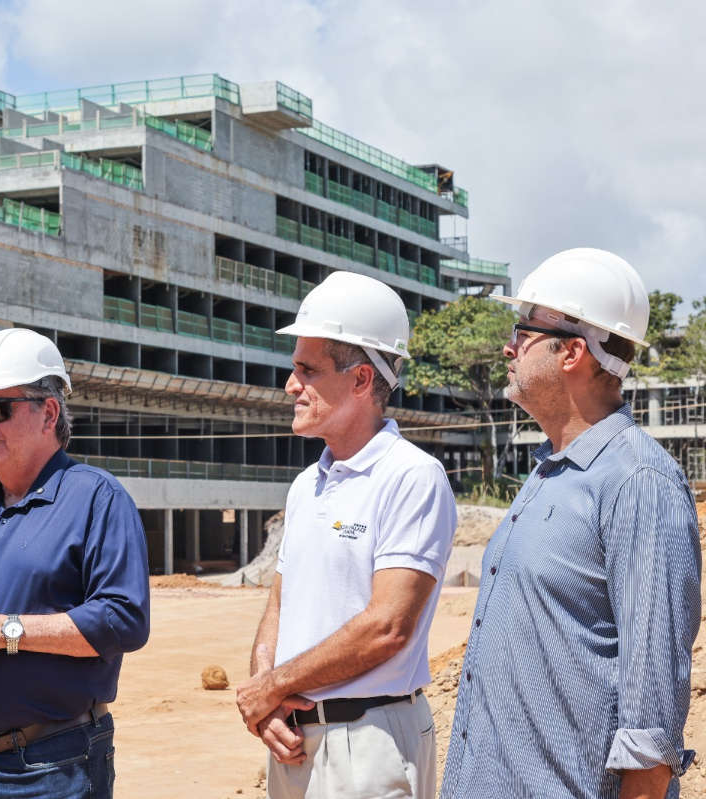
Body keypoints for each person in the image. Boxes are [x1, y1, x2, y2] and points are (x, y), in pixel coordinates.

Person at [440, 248, 701, 799]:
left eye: (524, 332)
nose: (508, 347)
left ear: (573, 352)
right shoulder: (549, 471)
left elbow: (650, 736)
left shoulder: (638, 482)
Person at [236, 271, 456, 798]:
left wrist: (275, 685)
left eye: (307, 370)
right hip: (292, 741)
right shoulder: (306, 485)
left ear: (360, 380)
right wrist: (266, 695)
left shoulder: (411, 477)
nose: (291, 385)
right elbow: (281, 602)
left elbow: (387, 627)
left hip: (370, 744)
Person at [0, 328, 150, 799]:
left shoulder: (97, 499)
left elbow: (124, 620)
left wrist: (5, 631)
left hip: (51, 766)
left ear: (49, 413)